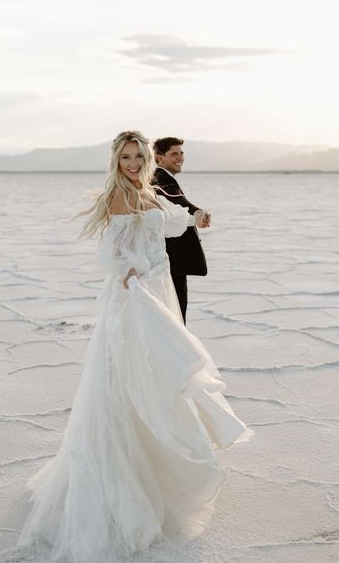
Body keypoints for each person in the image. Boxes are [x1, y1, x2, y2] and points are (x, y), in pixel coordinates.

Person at [17, 131, 253, 563]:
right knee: (133, 378)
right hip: (136, 298)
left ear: (147, 158)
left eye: (137, 155)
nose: (130, 162)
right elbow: (112, 254)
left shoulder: (149, 190)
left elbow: (172, 223)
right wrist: (132, 278)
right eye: (124, 156)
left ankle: (157, 465)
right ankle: (125, 480)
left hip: (157, 288)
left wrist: (195, 216)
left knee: (157, 376)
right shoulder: (121, 197)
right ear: (116, 160)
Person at [152, 137, 210, 324]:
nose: (180, 158)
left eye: (181, 153)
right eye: (174, 154)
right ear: (159, 158)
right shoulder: (161, 179)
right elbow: (176, 199)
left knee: (173, 312)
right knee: (176, 313)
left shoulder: (163, 178)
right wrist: (197, 213)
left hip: (170, 258)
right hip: (173, 259)